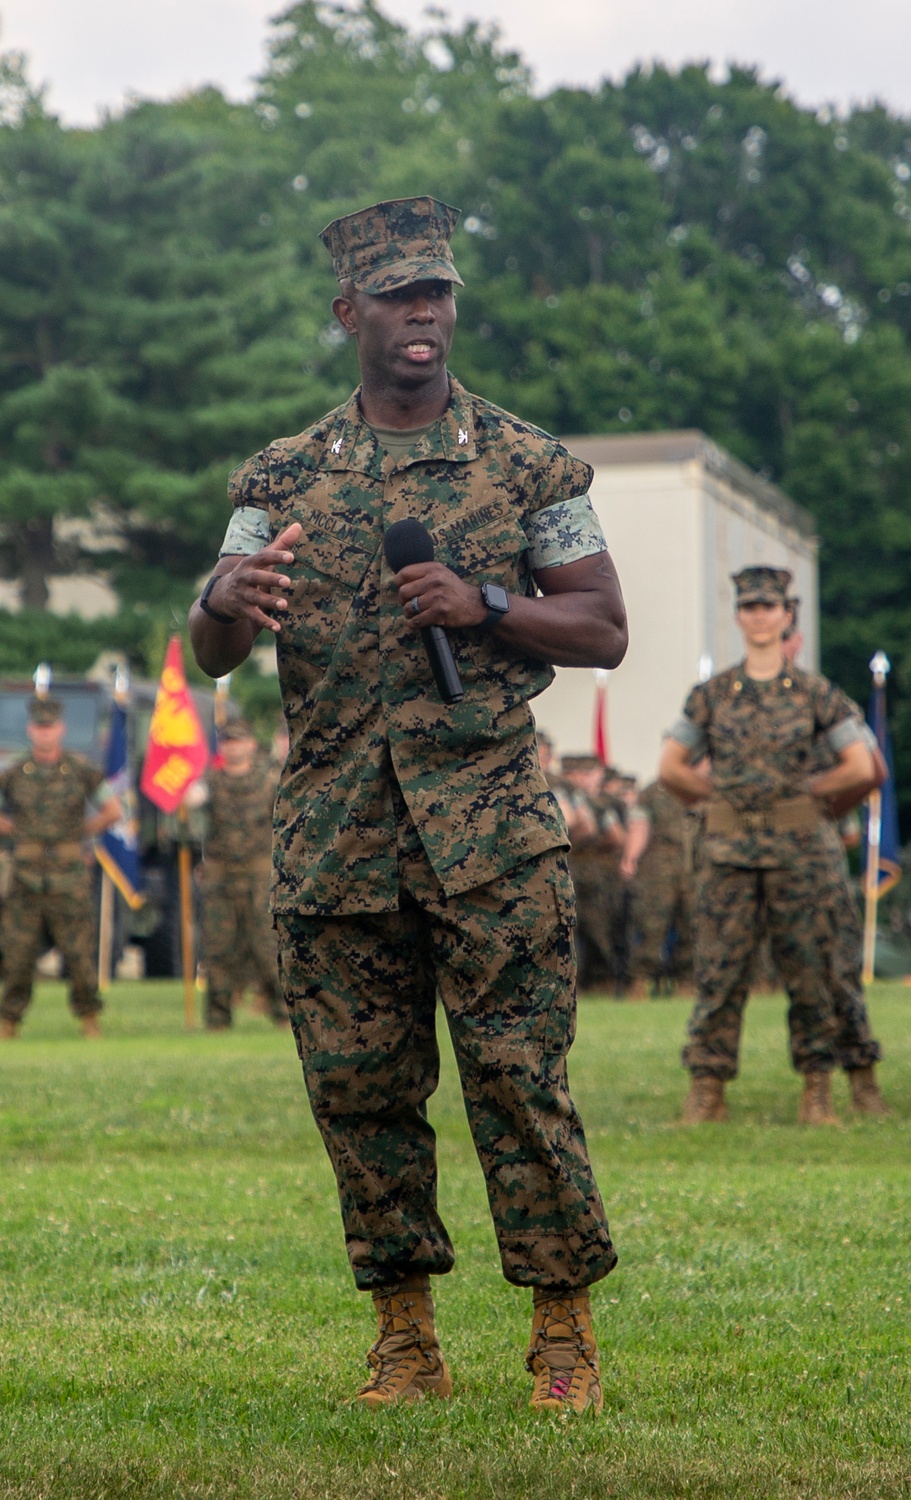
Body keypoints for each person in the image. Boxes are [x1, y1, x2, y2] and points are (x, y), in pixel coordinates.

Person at [188, 196, 625, 1413]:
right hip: (335, 842)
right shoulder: (278, 477)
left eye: (437, 295)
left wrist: (487, 605)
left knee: (516, 1082)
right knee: (360, 1092)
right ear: (351, 315)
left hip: (488, 838)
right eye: (397, 298)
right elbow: (213, 644)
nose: (423, 315)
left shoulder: (531, 465)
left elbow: (602, 627)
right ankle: (406, 1340)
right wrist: (225, 590)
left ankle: (561, 1333)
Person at [660, 566, 876, 1124]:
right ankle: (707, 1092)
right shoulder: (711, 694)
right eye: (750, 607)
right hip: (729, 853)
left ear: (787, 616)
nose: (759, 616)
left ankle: (817, 1090)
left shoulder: (814, 692)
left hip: (801, 853)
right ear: (738, 616)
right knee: (719, 973)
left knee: (812, 971)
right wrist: (718, 800)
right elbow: (671, 767)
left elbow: (859, 766)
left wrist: (807, 792)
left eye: (770, 607)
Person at [781, 603, 890, 1114]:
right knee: (729, 978)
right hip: (743, 855)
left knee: (832, 965)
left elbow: (872, 769)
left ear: (795, 641)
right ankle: (708, 1092)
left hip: (811, 856)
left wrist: (824, 810)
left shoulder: (821, 699)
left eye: (783, 638)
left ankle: (858, 1079)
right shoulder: (729, 699)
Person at [0, 697, 122, 1039]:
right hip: (25, 875)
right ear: (30, 730)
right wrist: (16, 831)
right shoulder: (14, 773)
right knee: (17, 954)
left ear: (61, 729)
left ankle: (89, 1019)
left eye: (50, 726)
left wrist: (81, 833)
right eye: (39, 727)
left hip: (69, 876)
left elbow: (113, 809)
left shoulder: (80, 770)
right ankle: (8, 1020)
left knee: (79, 954)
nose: (44, 733)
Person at [185, 717, 286, 1030]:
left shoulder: (272, 780)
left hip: (260, 875)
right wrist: (188, 807)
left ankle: (284, 1014)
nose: (233, 747)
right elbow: (188, 831)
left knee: (269, 947)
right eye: (227, 741)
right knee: (218, 949)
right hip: (221, 877)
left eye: (239, 741)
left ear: (252, 744)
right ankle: (217, 1018)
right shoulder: (209, 783)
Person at [621, 779, 696, 999]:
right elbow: (640, 826)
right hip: (659, 867)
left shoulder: (702, 785)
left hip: (696, 864)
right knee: (651, 923)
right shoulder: (651, 792)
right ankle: (640, 982)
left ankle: (688, 982)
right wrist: (630, 857)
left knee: (693, 923)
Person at [561, 754, 628, 994]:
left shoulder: (599, 803)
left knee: (597, 927)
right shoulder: (575, 798)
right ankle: (586, 983)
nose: (581, 779)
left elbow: (618, 837)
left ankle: (602, 982)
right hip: (579, 868)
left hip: (590, 870)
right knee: (575, 927)